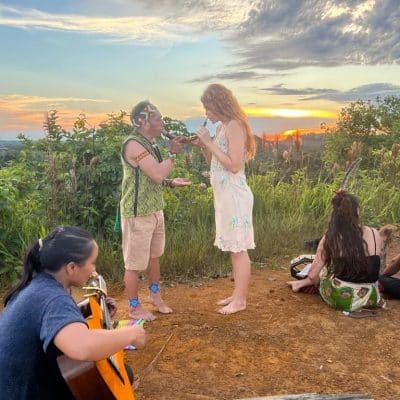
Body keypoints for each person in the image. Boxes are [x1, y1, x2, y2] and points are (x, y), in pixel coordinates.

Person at [0, 226, 146, 400]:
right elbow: (81, 347)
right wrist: (130, 334)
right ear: (71, 267)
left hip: (25, 385)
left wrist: (94, 311)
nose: (94, 270)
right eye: (92, 263)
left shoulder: (39, 283)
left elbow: (53, 321)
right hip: (28, 393)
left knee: (124, 374)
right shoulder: (53, 298)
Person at [121, 100, 191, 321]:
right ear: (142, 122)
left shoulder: (150, 143)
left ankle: (155, 295)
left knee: (154, 257)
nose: (163, 122)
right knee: (134, 264)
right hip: (137, 213)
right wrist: (173, 155)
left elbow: (155, 177)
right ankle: (133, 306)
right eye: (158, 118)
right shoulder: (134, 144)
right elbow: (157, 174)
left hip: (154, 210)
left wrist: (170, 183)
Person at [195, 83, 256, 315]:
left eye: (208, 108)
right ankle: (236, 293)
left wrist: (209, 142)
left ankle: (240, 300)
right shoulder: (222, 127)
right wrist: (205, 146)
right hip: (224, 196)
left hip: (235, 196)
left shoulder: (235, 126)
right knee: (233, 246)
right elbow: (216, 160)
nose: (206, 113)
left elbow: (234, 165)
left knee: (239, 247)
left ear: (219, 103)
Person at [287, 191, 385, 312]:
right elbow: (377, 268)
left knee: (324, 270)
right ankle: (301, 284)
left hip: (343, 299)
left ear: (335, 214)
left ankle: (299, 284)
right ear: (357, 211)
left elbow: (313, 276)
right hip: (372, 297)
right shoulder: (375, 233)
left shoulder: (331, 237)